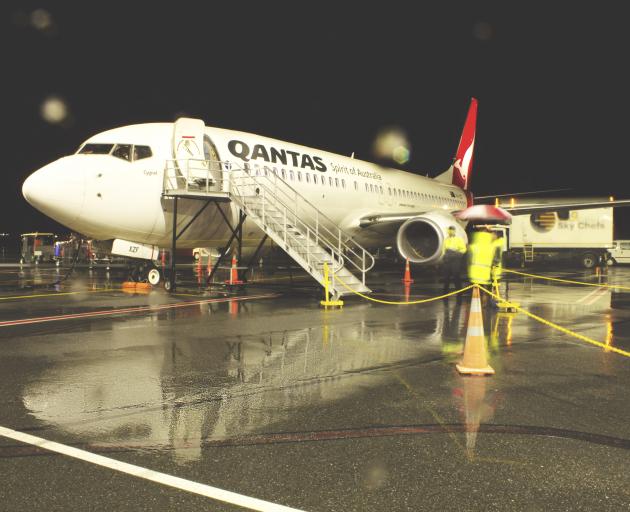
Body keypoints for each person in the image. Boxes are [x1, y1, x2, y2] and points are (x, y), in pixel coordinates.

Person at [467, 227, 497, 305]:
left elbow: (468, 259)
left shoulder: (473, 246)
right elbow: (495, 260)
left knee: (475, 291)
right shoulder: (491, 247)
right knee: (487, 290)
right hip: (486, 273)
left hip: (474, 274)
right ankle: (487, 302)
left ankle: (476, 304)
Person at [441, 225, 467, 293]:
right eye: (450, 230)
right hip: (448, 260)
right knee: (446, 277)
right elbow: (443, 249)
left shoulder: (458, 239)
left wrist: (457, 254)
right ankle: (445, 292)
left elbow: (463, 249)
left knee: (456, 276)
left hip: (455, 260)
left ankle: (459, 291)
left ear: (454, 231)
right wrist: (444, 256)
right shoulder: (446, 239)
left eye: (452, 230)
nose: (451, 231)